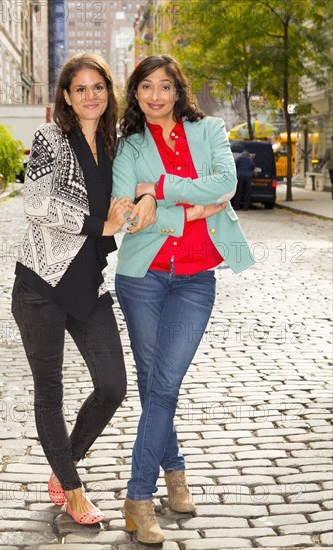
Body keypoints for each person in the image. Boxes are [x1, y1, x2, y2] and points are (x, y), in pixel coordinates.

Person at [112, 54, 255, 544]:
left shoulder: (210, 130)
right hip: (142, 278)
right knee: (157, 384)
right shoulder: (128, 145)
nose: (155, 96)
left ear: (178, 92)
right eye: (146, 87)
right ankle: (173, 474)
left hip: (195, 280)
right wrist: (189, 214)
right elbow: (128, 215)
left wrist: (162, 188)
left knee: (164, 382)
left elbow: (226, 185)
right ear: (136, 93)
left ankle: (137, 495)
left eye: (165, 87)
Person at [11, 53, 136, 525]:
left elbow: (137, 188)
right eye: (80, 88)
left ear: (109, 92)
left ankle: (65, 464)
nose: (90, 96)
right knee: (50, 392)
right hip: (41, 283)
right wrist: (96, 222)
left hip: (88, 284)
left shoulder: (116, 144)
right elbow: (36, 204)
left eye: (98, 87)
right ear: (66, 95)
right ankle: (72, 488)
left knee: (112, 385)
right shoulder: (50, 138)